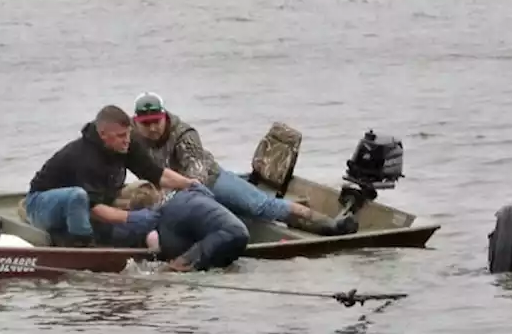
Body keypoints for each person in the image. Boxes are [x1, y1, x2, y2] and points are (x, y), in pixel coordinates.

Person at [129, 92, 358, 237]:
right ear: (136, 122)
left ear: (164, 117)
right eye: (145, 123)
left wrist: (169, 196)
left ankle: (328, 224)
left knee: (261, 207)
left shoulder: (184, 135)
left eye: (156, 122)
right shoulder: (129, 135)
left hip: (210, 180)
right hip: (172, 189)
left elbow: (196, 176)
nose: (152, 128)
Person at [25, 104, 203, 246]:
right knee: (78, 197)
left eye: (128, 134)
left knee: (145, 194)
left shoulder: (126, 144)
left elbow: (156, 174)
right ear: (103, 135)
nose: (127, 140)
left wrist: (189, 183)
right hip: (41, 204)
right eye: (120, 136)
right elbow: (93, 207)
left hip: (92, 202)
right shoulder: (84, 156)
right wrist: (131, 218)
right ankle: (82, 244)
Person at [104, 181, 251, 272]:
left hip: (229, 233)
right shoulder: (187, 195)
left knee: (168, 269)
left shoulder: (160, 217)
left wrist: (181, 261)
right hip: (234, 234)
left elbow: (166, 249)